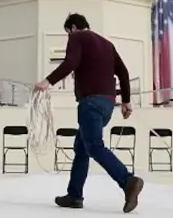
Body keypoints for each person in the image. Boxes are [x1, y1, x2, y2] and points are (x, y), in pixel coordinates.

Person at [34, 13, 144, 212]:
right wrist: (126, 101)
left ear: (73, 28)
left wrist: (47, 81)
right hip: (108, 104)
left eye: (67, 33)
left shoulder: (77, 37)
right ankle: (74, 195)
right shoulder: (107, 44)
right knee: (82, 147)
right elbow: (124, 72)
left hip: (90, 102)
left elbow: (70, 63)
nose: (68, 37)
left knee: (93, 146)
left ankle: (128, 182)